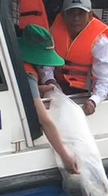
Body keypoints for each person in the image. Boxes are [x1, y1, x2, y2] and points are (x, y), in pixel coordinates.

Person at [18, 24, 78, 174]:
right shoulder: (27, 73)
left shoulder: (10, 60)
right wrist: (65, 156)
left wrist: (34, 91)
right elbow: (44, 120)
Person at [41, 0, 108, 116]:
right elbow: (46, 65)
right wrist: (49, 80)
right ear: (63, 15)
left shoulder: (100, 42)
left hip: (85, 91)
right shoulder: (53, 33)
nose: (76, 18)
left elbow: (103, 79)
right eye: (71, 13)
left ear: (90, 16)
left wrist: (93, 101)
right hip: (57, 88)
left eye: (81, 13)